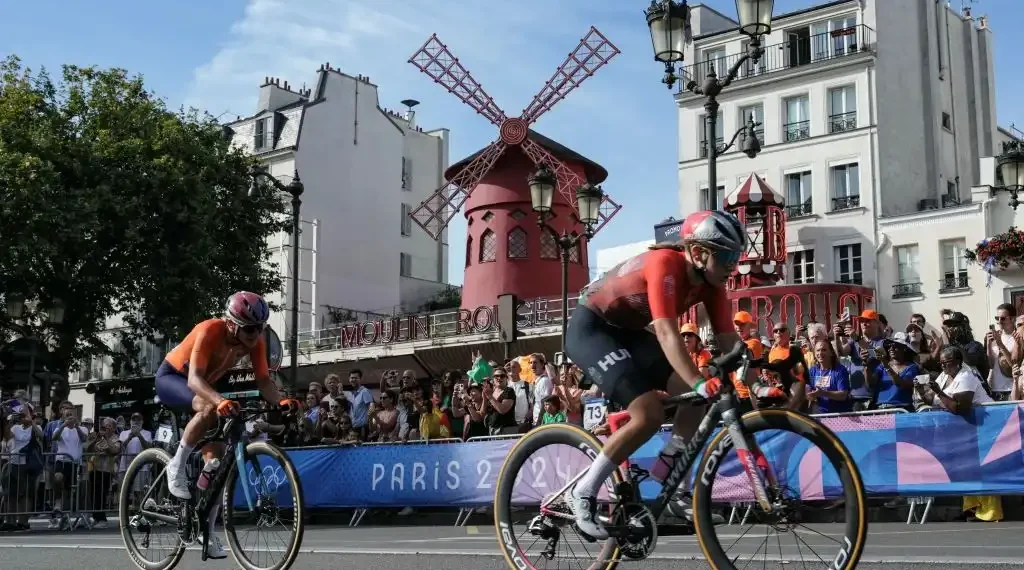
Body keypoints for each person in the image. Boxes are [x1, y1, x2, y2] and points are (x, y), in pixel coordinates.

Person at [563, 210, 783, 540]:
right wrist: (698, 380)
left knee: (696, 399)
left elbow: (728, 344)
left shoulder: (712, 285)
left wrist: (753, 386)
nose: (731, 266)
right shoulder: (665, 263)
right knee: (649, 413)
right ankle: (582, 491)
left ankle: (671, 481)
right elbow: (667, 332)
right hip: (592, 328)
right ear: (697, 253)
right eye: (726, 257)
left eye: (735, 257)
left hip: (631, 333)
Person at [154, 291, 298, 559]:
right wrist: (219, 400)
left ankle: (203, 529)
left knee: (217, 465)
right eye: (251, 328)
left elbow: (264, 381)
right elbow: (194, 380)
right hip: (174, 378)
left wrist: (281, 402)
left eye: (261, 328)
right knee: (209, 406)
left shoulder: (256, 342)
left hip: (206, 385)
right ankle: (176, 465)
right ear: (232, 323)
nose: (256, 334)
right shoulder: (210, 329)